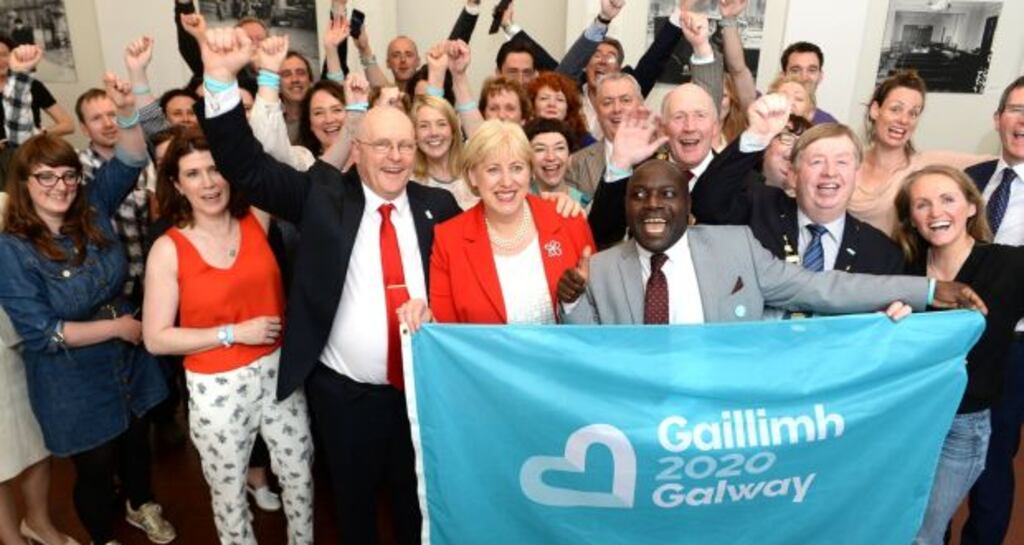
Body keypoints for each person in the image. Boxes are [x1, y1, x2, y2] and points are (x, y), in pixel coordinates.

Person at [195, 26, 462, 545]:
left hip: (421, 394)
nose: (395, 156)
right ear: (356, 149)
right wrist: (222, 81)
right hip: (344, 395)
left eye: (405, 145)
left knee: (418, 504)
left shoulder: (440, 208)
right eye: (382, 144)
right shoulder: (323, 197)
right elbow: (246, 167)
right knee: (354, 507)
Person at [0, 73, 174, 545]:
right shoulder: (12, 248)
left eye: (68, 174)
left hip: (128, 361)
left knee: (138, 445)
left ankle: (144, 507)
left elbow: (134, 156)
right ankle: (102, 536)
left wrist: (125, 109)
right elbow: (44, 334)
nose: (60, 185)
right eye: (46, 177)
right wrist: (119, 327)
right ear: (25, 182)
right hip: (72, 379)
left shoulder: (93, 207)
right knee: (96, 470)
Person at [142, 128, 314, 545]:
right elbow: (156, 338)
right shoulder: (169, 248)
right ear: (178, 185)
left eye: (216, 169)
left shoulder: (255, 215)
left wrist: (266, 80)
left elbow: (269, 152)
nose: (209, 183)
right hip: (216, 384)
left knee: (299, 477)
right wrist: (233, 332)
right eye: (194, 174)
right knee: (229, 492)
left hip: (279, 372)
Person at [557, 159, 986, 326]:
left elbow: (823, 287)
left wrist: (927, 290)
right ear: (627, 206)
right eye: (639, 194)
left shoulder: (736, 246)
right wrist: (572, 303)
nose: (652, 205)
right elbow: (592, 352)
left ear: (689, 207)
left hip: (722, 421)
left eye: (667, 194)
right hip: (640, 421)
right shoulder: (600, 267)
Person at [891, 165, 1024, 545]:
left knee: (921, 535)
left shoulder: (1010, 265)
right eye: (922, 204)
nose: (936, 213)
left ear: (970, 206)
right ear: (911, 220)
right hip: (904, 423)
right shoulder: (901, 271)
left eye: (947, 199)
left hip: (961, 429)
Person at [689, 96, 905, 275]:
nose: (830, 172)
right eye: (817, 161)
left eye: (842, 162)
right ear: (792, 175)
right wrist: (757, 136)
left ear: (856, 174)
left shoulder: (882, 253)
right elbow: (707, 203)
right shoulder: (758, 208)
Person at [417, 119, 592, 327]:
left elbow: (598, 312)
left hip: (563, 358)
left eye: (517, 168)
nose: (507, 182)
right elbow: (448, 334)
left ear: (530, 172)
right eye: (493, 170)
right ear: (473, 176)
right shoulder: (449, 240)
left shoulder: (568, 219)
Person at [960, 75, 1024, 545]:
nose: (1023, 121)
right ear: (998, 118)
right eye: (1017, 109)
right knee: (938, 448)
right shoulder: (972, 180)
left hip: (1016, 346)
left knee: (994, 454)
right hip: (957, 336)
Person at [0, 193, 80, 545]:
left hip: (18, 336)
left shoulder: (6, 203)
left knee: (35, 439)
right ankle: (10, 538)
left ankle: (38, 522)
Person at [852, 70, 988, 236]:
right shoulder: (848, 161)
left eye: (913, 113)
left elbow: (992, 162)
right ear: (875, 110)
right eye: (896, 109)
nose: (904, 120)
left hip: (895, 260)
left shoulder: (925, 164)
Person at [410, 95, 476, 210]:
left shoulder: (475, 170)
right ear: (414, 135)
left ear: (453, 131)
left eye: (441, 124)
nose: (434, 132)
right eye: (424, 126)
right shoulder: (409, 183)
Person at [0, 37, 74, 138]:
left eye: (4, 55)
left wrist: (39, 134)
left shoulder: (32, 85)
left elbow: (68, 125)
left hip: (30, 148)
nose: (0, 61)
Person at [525, 118, 590, 207]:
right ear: (528, 157)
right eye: (540, 149)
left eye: (559, 148)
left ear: (569, 155)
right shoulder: (520, 202)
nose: (551, 157)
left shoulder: (585, 205)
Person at [527, 71, 593, 149]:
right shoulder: (522, 137)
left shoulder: (585, 142)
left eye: (559, 99)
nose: (552, 104)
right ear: (533, 105)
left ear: (569, 108)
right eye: (544, 98)